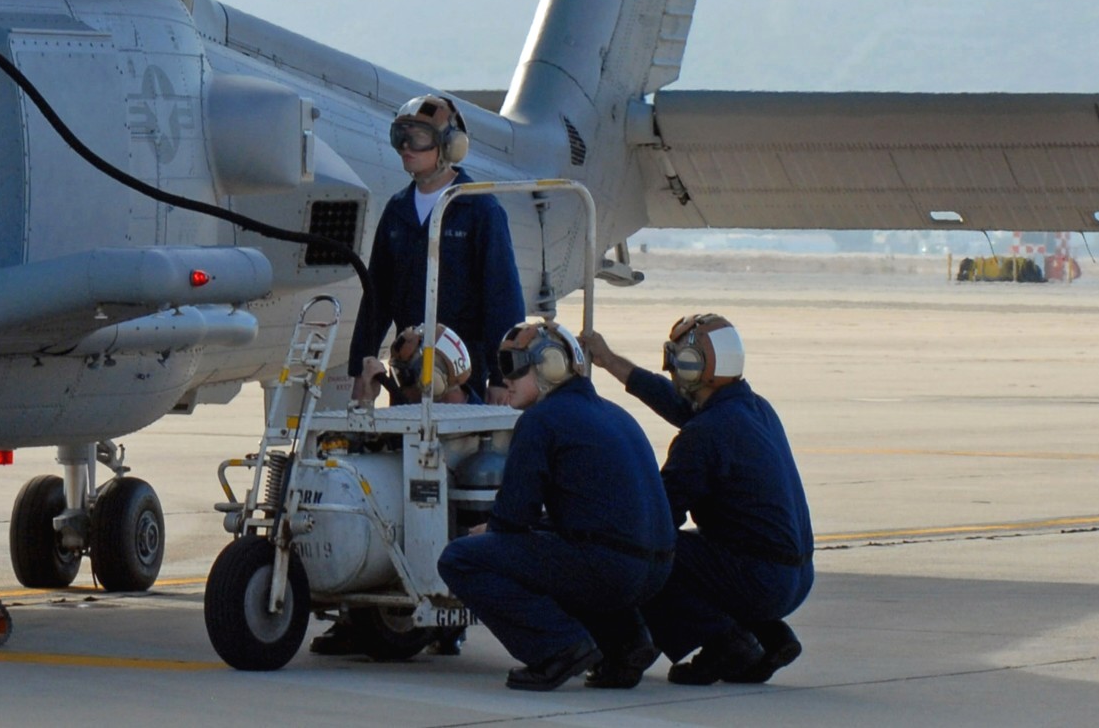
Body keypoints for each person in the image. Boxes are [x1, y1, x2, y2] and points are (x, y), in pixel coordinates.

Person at [436, 321, 675, 692]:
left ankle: (558, 649)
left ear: (550, 365)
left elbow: (515, 516)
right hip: (656, 572)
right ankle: (627, 644)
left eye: (516, 366)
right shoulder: (615, 413)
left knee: (462, 558)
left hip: (610, 567)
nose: (506, 379)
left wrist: (491, 531)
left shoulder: (540, 420)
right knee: (569, 544)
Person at [581, 316, 815, 685]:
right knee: (708, 554)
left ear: (694, 365)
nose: (671, 370)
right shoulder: (754, 409)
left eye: (677, 360)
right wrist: (608, 360)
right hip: (794, 580)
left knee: (646, 556)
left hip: (760, 581)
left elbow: (658, 521)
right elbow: (674, 402)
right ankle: (772, 638)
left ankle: (723, 644)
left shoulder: (706, 434)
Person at [346, 94, 526, 404]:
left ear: (449, 145)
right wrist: (360, 367)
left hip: (464, 376)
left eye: (417, 139)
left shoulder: (479, 208)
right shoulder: (398, 210)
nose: (405, 147)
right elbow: (376, 298)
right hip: (409, 372)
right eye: (399, 137)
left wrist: (501, 378)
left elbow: (502, 299)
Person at [351, 323, 474, 408]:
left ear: (434, 380)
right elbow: (373, 445)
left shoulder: (480, 431)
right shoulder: (482, 421)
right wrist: (367, 399)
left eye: (406, 377)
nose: (403, 390)